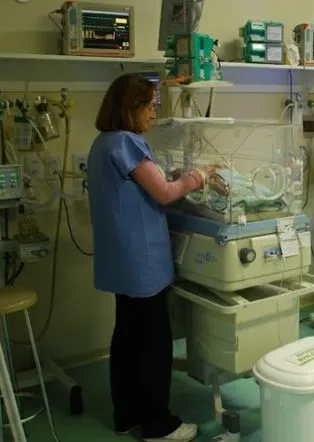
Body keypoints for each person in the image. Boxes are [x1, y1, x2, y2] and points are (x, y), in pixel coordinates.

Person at [87, 73, 218, 442]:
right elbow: (163, 194)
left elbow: (145, 182)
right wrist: (198, 176)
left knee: (127, 338)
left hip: (121, 262)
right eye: (150, 106)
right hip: (140, 262)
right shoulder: (127, 142)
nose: (153, 113)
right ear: (131, 107)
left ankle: (127, 415)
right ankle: (159, 425)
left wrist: (174, 175)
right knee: (154, 345)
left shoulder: (103, 143)